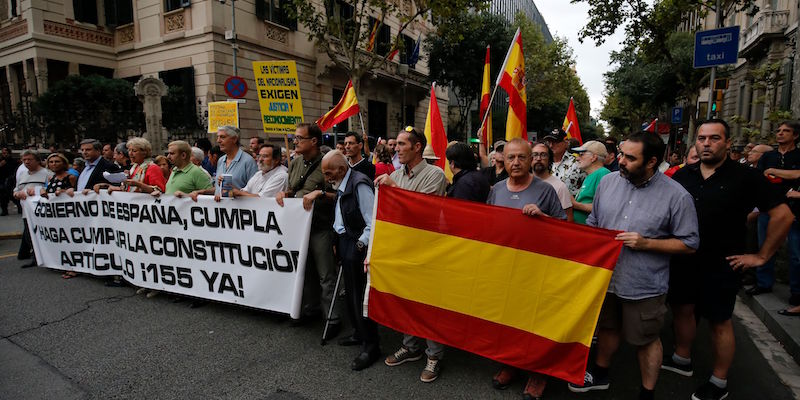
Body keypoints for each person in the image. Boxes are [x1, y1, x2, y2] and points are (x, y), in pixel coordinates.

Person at [665, 119, 793, 400]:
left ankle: (719, 381)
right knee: (683, 308)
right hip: (684, 259)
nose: (706, 143)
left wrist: (760, 256)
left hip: (724, 263)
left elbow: (783, 215)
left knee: (719, 321)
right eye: (701, 138)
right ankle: (681, 357)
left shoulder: (746, 177)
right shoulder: (682, 176)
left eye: (713, 138)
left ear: (726, 142)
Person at [569, 132, 699, 400]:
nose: (621, 161)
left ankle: (647, 393)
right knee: (608, 328)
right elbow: (594, 221)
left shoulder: (677, 196)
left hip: (644, 285)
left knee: (646, 339)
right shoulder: (607, 183)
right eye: (621, 153)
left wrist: (647, 244)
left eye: (630, 157)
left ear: (651, 161)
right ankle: (601, 374)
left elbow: (690, 243)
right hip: (606, 279)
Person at [487, 138, 566, 400]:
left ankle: (537, 373)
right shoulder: (497, 189)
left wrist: (544, 219)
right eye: (511, 158)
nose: (516, 163)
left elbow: (565, 231)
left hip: (536, 270)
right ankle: (511, 364)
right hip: (504, 268)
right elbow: (486, 224)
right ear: (503, 160)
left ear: (531, 159)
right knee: (508, 320)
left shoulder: (545, 191)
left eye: (522, 157)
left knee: (535, 322)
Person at [373, 126, 448, 382]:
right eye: (396, 145)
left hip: (427, 250)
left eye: (403, 144)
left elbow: (422, 210)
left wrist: (393, 187)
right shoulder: (397, 173)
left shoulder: (435, 174)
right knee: (405, 298)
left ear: (418, 147)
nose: (397, 148)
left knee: (428, 303)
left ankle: (434, 356)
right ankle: (411, 346)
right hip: (403, 248)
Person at [276, 123, 341, 338]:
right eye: (294, 138)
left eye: (299, 138)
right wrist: (284, 194)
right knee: (305, 271)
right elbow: (293, 189)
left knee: (325, 274)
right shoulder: (294, 164)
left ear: (313, 141)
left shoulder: (328, 162)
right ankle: (311, 308)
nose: (295, 142)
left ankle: (333, 317)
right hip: (299, 228)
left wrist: (320, 193)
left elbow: (339, 194)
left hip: (320, 227)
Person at [321, 150, 381, 371]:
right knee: (351, 296)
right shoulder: (343, 182)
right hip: (346, 240)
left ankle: (371, 345)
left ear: (341, 169)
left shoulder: (359, 184)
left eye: (329, 173)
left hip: (357, 244)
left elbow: (372, 220)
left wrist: (359, 245)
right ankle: (359, 333)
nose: (327, 178)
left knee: (359, 296)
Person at [751, 120, 800, 305]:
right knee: (765, 247)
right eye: (778, 130)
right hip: (769, 208)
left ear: (795, 135)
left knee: (796, 254)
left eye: (785, 131)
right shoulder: (768, 156)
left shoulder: (798, 155)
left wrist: (775, 172)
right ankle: (763, 283)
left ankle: (797, 292)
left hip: (795, 210)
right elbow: (760, 176)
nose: (780, 134)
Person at [12, 150, 53, 268]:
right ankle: (36, 257)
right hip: (27, 211)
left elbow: (50, 191)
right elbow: (16, 190)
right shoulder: (22, 175)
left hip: (42, 212)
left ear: (37, 160)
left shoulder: (47, 173)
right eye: (24, 160)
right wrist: (17, 194)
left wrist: (37, 191)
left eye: (29, 159)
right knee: (29, 236)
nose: (26, 162)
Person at [571, 141, 611, 225]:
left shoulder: (603, 174)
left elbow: (603, 207)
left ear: (593, 157)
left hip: (589, 231)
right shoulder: (591, 175)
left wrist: (575, 204)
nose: (577, 158)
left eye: (581, 154)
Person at [532, 142, 574, 222]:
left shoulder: (560, 187)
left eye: (543, 155)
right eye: (535, 155)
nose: (538, 158)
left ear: (549, 160)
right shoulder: (522, 184)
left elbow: (569, 221)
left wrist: (543, 216)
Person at [544, 129, 585, 196]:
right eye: (549, 142)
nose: (551, 146)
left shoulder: (577, 162)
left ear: (566, 143)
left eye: (555, 142)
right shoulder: (543, 162)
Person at [0, 147, 18, 216]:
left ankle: (20, 208)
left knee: (12, 196)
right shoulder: (1, 161)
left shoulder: (13, 161)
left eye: (5, 153)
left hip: (11, 181)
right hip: (2, 181)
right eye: (3, 153)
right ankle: (4, 210)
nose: (4, 155)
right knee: (2, 197)